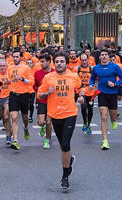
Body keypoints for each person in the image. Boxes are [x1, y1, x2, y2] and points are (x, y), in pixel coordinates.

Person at [38, 51, 84, 192]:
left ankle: (65, 177)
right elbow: (39, 93)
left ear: (66, 63)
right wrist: (47, 92)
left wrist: (81, 97)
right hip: (54, 114)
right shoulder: (48, 77)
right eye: (57, 61)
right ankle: (69, 161)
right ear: (54, 63)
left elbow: (81, 88)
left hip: (70, 113)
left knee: (65, 144)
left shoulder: (73, 76)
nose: (59, 64)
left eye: (61, 61)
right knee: (63, 146)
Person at [89, 49, 122, 150]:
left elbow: (121, 78)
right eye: (102, 55)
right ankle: (105, 141)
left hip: (113, 94)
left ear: (108, 57)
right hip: (101, 93)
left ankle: (114, 120)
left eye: (106, 55)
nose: (104, 56)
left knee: (113, 116)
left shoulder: (115, 67)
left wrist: (115, 84)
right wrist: (91, 84)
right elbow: (92, 78)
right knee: (104, 117)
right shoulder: (96, 68)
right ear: (99, 57)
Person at [8, 50, 34, 150]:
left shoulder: (26, 68)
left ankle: (26, 128)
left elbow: (32, 82)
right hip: (13, 94)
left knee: (25, 117)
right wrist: (7, 81)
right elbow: (10, 80)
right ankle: (15, 141)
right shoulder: (9, 68)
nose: (15, 58)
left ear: (21, 58)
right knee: (14, 117)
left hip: (24, 95)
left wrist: (23, 79)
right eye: (14, 57)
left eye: (17, 57)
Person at [33, 54, 54, 149]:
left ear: (49, 62)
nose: (41, 63)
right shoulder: (37, 73)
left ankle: (47, 140)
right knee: (41, 122)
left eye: (43, 61)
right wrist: (41, 90)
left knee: (49, 122)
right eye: (40, 61)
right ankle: (44, 126)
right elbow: (34, 86)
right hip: (41, 100)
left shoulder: (55, 72)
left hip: (53, 100)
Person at [73, 54, 94, 134]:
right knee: (83, 107)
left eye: (85, 60)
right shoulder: (76, 69)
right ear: (80, 60)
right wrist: (75, 89)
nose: (84, 61)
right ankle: (85, 122)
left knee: (90, 109)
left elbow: (96, 78)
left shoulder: (92, 69)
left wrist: (93, 84)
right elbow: (73, 80)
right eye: (82, 60)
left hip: (90, 92)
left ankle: (88, 124)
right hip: (80, 91)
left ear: (88, 60)